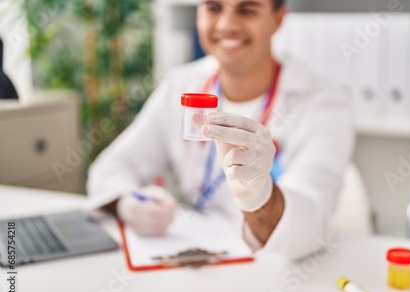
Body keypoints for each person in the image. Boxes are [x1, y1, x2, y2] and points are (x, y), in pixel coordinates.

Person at [87, 0, 354, 260]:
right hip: (196, 261)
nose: (227, 24)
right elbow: (110, 167)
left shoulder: (323, 103)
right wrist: (126, 202)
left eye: (247, 9)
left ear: (278, 19)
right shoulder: (180, 85)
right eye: (214, 8)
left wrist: (260, 196)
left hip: (273, 273)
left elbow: (309, 226)